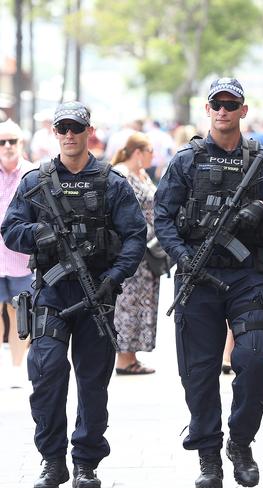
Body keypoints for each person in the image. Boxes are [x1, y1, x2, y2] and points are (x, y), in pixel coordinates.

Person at [154, 77, 263, 488]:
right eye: (216, 104)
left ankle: (240, 443)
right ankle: (208, 456)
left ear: (243, 110)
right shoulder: (186, 160)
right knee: (199, 373)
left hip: (247, 276)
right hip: (197, 277)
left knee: (255, 359)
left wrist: (260, 208)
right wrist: (183, 257)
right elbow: (162, 218)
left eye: (230, 103)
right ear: (207, 110)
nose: (222, 110)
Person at [1, 101, 147, 488]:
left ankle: (86, 463)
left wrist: (114, 277)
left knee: (93, 383)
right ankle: (53, 460)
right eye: (62, 128)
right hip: (52, 291)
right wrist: (37, 234)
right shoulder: (37, 181)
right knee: (47, 372)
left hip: (97, 293)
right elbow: (10, 228)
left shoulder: (111, 182)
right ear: (55, 133)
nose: (69, 135)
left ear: (88, 132)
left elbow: (135, 236)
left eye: (75, 128)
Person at [110, 132, 159, 375]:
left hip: (148, 252)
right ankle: (123, 358)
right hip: (130, 249)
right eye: (150, 151)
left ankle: (132, 356)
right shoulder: (121, 173)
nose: (154, 156)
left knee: (141, 304)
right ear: (138, 152)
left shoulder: (142, 174)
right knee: (127, 304)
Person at [0, 119, 35, 388]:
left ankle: (15, 369)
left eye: (13, 141)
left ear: (21, 144)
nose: (8, 146)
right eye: (3, 142)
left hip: (22, 260)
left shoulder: (32, 175)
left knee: (18, 313)